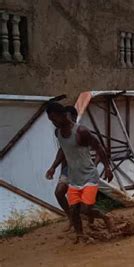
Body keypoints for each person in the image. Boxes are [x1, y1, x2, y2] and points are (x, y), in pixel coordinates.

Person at [45, 102, 114, 243]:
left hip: (88, 174)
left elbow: (99, 147)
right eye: (50, 120)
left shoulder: (81, 131)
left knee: (85, 208)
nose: (53, 122)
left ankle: (106, 217)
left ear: (63, 115)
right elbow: (63, 150)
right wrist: (53, 167)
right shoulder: (58, 132)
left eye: (54, 118)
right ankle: (80, 234)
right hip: (74, 176)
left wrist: (107, 168)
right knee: (74, 209)